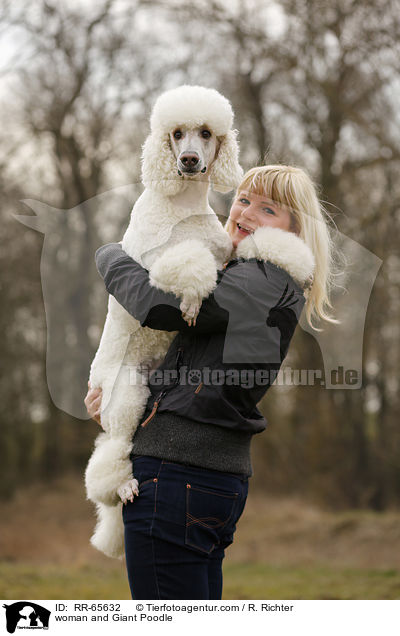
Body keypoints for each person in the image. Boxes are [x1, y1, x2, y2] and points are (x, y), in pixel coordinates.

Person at [84, 164, 337, 600]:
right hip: (201, 477)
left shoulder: (263, 277)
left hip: (178, 475)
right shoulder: (250, 278)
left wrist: (110, 255)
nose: (246, 212)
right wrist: (121, 403)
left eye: (268, 208)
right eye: (243, 199)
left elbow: (157, 307)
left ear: (294, 230)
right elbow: (195, 382)